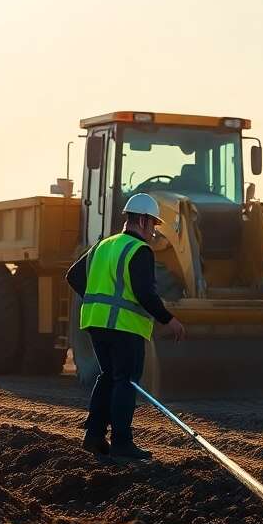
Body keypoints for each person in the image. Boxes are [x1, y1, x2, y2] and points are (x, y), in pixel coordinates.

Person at [66, 193, 186, 459]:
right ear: (142, 220)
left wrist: (97, 296)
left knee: (108, 376)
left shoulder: (103, 245)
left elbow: (73, 276)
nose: (154, 231)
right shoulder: (139, 250)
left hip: (97, 324)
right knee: (126, 381)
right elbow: (145, 294)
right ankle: (121, 442)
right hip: (124, 327)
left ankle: (94, 436)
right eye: (153, 225)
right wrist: (170, 320)